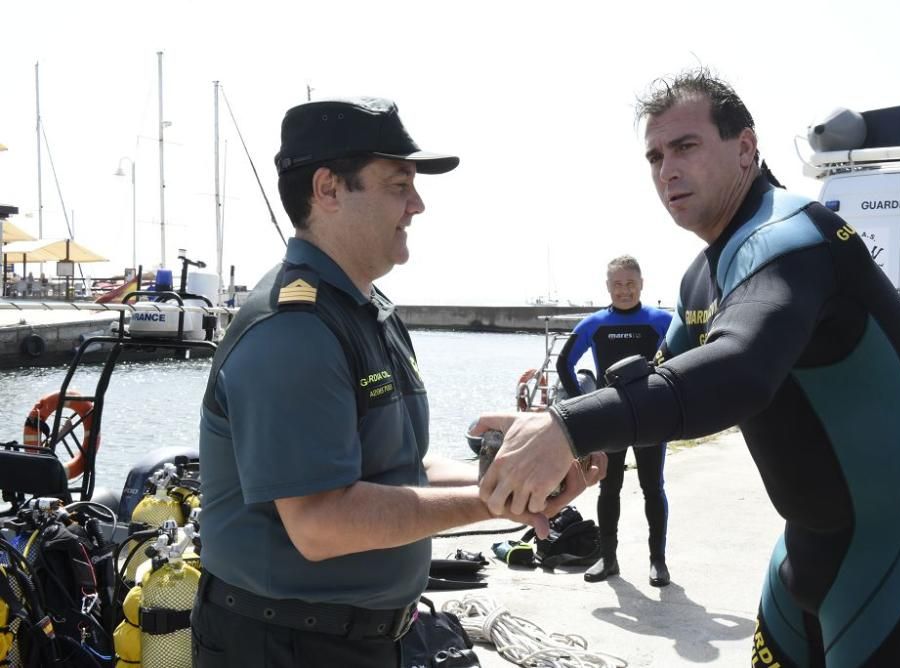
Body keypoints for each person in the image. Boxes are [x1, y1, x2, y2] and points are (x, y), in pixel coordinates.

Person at [475, 70, 900, 667]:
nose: (666, 169)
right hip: (806, 551)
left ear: (745, 148)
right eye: (654, 155)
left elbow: (739, 371)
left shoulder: (793, 236)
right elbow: (665, 379)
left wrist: (570, 427)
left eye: (686, 146)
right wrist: (571, 440)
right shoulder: (704, 273)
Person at [192, 97, 604, 668]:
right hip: (284, 646)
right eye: (398, 184)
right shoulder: (293, 330)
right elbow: (321, 522)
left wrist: (524, 471)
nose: (417, 204)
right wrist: (496, 503)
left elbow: (399, 471)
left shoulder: (365, 311)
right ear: (329, 190)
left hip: (364, 639)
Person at [556, 255, 672, 586]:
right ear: (608, 287)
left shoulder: (660, 320)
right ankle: (608, 559)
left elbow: (685, 357)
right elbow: (565, 363)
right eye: (617, 284)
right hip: (611, 419)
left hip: (651, 417)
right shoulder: (594, 324)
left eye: (630, 283)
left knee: (653, 488)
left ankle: (658, 561)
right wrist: (585, 401)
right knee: (609, 488)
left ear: (641, 284)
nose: (624, 290)